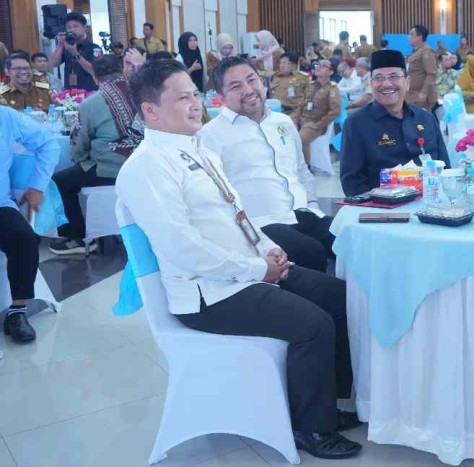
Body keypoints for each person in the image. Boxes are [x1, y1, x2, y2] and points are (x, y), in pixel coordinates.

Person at [118, 59, 361, 459]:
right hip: (208, 295)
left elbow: (238, 214)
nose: (195, 105)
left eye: (194, 95)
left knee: (338, 295)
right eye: (182, 98)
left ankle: (328, 401)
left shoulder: (197, 148)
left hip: (242, 274)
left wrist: (266, 249)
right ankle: (312, 428)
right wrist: (257, 269)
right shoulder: (146, 167)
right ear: (150, 110)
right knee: (314, 325)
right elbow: (183, 247)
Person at [201, 56, 334, 273]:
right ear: (220, 97)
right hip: (262, 222)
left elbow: (302, 171)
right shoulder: (210, 135)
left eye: (251, 80)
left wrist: (313, 206)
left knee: (348, 238)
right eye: (235, 86)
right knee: (311, 251)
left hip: (303, 213)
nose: (248, 90)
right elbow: (213, 197)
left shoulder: (283, 122)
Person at [49, 55, 141, 255]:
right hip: (144, 165)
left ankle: (75, 237)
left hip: (110, 169)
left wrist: (80, 159)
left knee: (59, 181)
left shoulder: (91, 103)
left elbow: (79, 143)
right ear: (122, 70)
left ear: (94, 76)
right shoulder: (141, 93)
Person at [339, 50, 449, 196]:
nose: (386, 84)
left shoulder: (426, 118)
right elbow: (352, 182)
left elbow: (445, 168)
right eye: (378, 78)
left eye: (394, 76)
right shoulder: (356, 123)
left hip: (430, 203)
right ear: (371, 84)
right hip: (380, 206)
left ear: (407, 82)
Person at [1, 104, 58, 343]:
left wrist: (37, 186)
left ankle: (17, 311)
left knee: (24, 239)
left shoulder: (5, 117)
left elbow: (48, 144)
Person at [293, 59, 341, 166]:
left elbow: (335, 110)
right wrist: (295, 120)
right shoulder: (311, 86)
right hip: (302, 120)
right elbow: (301, 105)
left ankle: (305, 167)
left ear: (331, 72)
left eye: (323, 66)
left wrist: (319, 124)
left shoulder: (332, 89)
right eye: (317, 65)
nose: (318, 67)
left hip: (315, 124)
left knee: (301, 139)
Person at [50, 12, 103, 92]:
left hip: (89, 92)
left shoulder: (93, 48)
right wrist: (60, 45)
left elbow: (94, 70)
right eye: (69, 27)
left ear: (84, 28)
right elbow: (53, 63)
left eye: (76, 26)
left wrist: (75, 54)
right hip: (69, 92)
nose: (72, 30)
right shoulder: (66, 46)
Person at [405, 25, 438, 112]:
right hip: (412, 95)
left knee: (421, 119)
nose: (408, 37)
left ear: (419, 37)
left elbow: (431, 74)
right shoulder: (417, 51)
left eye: (411, 34)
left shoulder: (426, 52)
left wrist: (424, 92)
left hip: (420, 96)